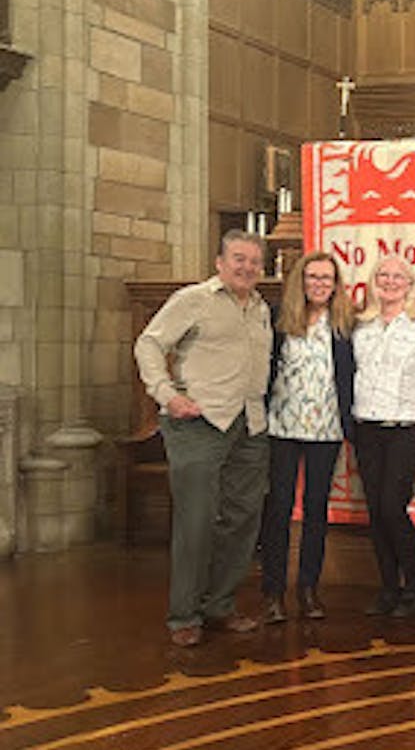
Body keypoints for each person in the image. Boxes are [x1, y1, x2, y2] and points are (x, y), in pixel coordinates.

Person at [135, 229, 273, 647]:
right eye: (238, 258)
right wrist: (167, 395)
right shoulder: (193, 299)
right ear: (219, 262)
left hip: (249, 425)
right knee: (196, 521)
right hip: (198, 423)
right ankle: (184, 615)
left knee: (242, 520)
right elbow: (148, 344)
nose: (246, 266)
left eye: (253, 261)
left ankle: (219, 605)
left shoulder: (261, 308)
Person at [258, 251, 356, 624]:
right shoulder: (279, 319)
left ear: (335, 285)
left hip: (326, 430)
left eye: (326, 278)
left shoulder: (344, 325)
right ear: (301, 280)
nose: (319, 284)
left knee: (316, 510)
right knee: (278, 508)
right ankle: (273, 592)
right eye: (312, 277)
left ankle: (309, 589)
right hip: (282, 426)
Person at [350, 254, 415, 619]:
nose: (390, 281)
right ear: (373, 281)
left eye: (398, 277)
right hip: (367, 428)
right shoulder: (361, 325)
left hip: (405, 429)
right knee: (375, 511)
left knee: (394, 507)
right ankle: (388, 587)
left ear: (409, 285)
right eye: (383, 275)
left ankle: (414, 587)